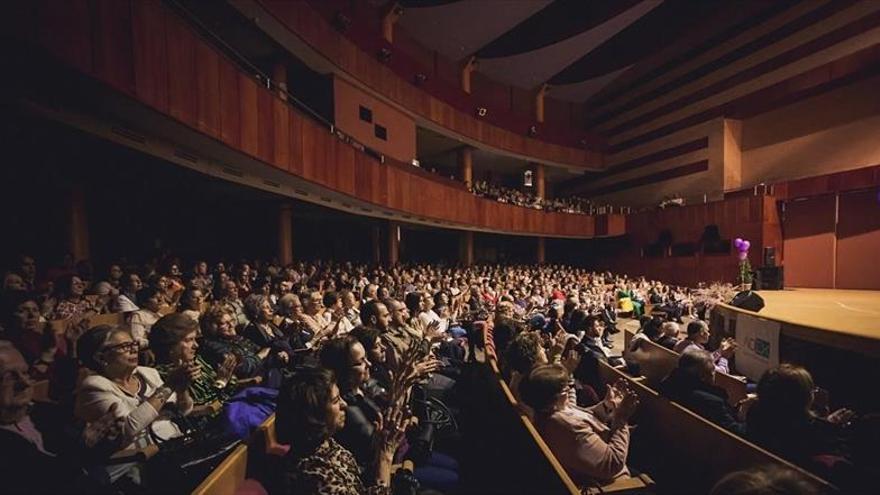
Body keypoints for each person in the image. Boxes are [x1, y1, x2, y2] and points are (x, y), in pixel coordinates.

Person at [74, 325, 198, 483]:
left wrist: (182, 390)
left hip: (175, 447)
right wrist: (169, 386)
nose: (133, 350)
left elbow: (183, 410)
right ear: (100, 357)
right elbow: (128, 428)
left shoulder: (147, 373)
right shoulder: (93, 387)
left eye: (133, 344)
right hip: (136, 464)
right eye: (124, 346)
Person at [276, 367, 406, 494]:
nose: (344, 404)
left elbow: (360, 483)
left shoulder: (324, 443)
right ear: (314, 415)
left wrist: (379, 451)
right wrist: (384, 458)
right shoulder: (313, 475)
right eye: (336, 400)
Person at [520, 364, 638, 485]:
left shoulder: (553, 410)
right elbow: (612, 463)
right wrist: (621, 419)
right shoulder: (565, 427)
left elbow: (584, 417)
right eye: (567, 388)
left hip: (605, 452)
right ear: (556, 397)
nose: (571, 388)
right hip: (614, 482)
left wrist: (607, 405)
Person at [747, 364, 852, 478]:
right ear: (807, 397)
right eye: (811, 390)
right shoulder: (815, 433)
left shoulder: (755, 413)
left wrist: (824, 421)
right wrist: (830, 426)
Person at [659, 349, 746, 435]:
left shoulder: (667, 384)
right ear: (704, 377)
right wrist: (745, 413)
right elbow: (737, 432)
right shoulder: (712, 403)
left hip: (671, 432)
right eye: (713, 372)